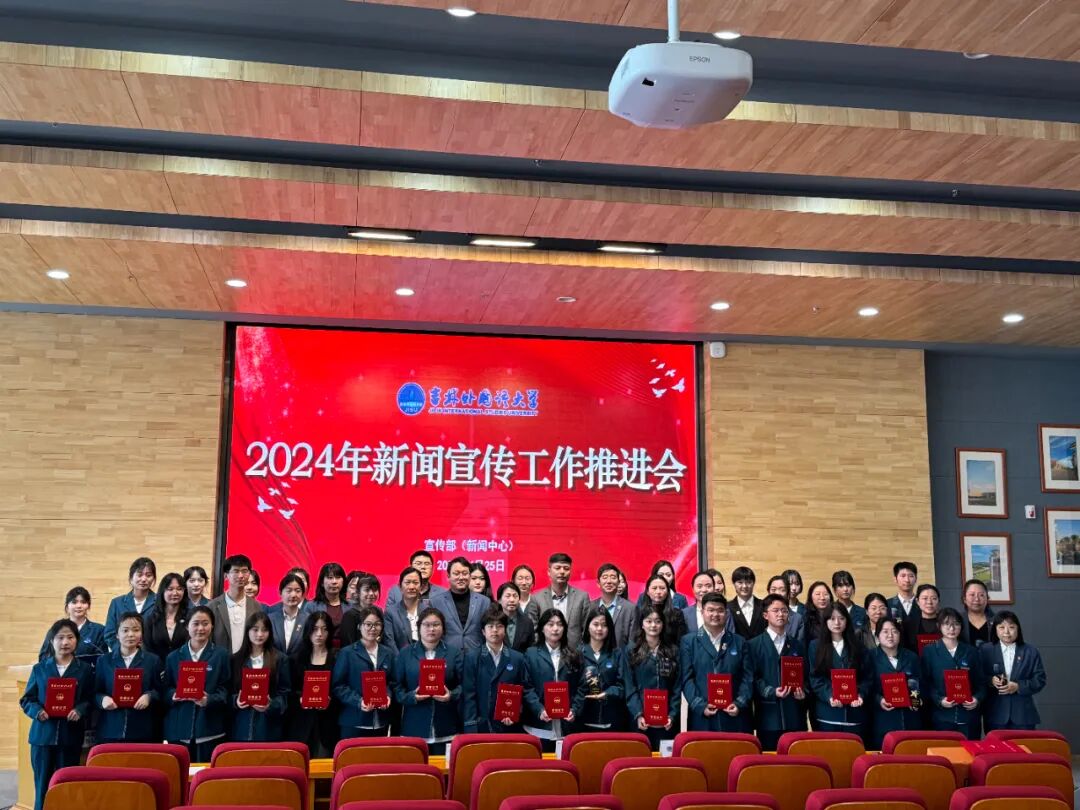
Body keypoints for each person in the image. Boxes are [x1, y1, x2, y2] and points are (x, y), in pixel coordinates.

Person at [22, 619, 95, 810]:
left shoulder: (84, 670)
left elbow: (90, 699)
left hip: (69, 736)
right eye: (60, 637)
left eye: (70, 637)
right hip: (42, 737)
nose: (65, 642)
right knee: (42, 787)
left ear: (77, 641)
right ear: (52, 641)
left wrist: (79, 710)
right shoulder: (40, 668)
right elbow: (27, 699)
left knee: (67, 788)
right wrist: (37, 711)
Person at [163, 605, 231, 762]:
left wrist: (209, 700)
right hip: (179, 730)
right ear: (187, 626)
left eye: (205, 623)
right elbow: (165, 689)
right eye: (196, 623)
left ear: (212, 626)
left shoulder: (221, 655)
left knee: (207, 774)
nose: (200, 628)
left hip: (210, 729)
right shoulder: (173, 657)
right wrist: (173, 695)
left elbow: (226, 689)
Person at [393, 607, 463, 754]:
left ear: (443, 628)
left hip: (446, 725)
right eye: (427, 625)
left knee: (445, 768)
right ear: (419, 627)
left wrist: (451, 695)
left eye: (436, 624)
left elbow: (465, 685)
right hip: (414, 727)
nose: (431, 629)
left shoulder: (454, 653)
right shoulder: (405, 654)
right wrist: (412, 696)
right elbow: (396, 686)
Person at [680, 593, 753, 733]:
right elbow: (686, 678)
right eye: (710, 610)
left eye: (720, 610)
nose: (715, 614)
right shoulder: (688, 642)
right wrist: (700, 705)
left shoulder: (740, 642)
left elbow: (747, 677)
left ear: (726, 614)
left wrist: (739, 703)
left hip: (734, 717)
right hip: (702, 718)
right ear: (702, 612)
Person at [462, 605, 537, 734]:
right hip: (481, 725)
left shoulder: (517, 658)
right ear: (483, 631)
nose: (495, 630)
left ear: (505, 630)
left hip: (509, 724)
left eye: (499, 626)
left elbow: (523, 690)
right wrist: (471, 725)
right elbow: (469, 695)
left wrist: (516, 712)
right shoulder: (472, 657)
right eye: (490, 626)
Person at [749, 594, 807, 751]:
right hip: (768, 717)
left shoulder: (797, 645)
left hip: (794, 715)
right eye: (775, 610)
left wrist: (803, 692)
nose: (780, 614)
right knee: (770, 759)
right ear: (765, 615)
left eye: (784, 611)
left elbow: (806, 676)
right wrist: (771, 691)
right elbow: (752, 678)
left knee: (796, 758)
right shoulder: (754, 645)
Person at [94, 611, 161, 743]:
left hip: (142, 729)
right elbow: (94, 692)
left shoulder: (152, 661)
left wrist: (149, 696)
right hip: (110, 728)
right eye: (125, 630)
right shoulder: (104, 661)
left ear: (141, 634)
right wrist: (102, 699)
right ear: (117, 634)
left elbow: (160, 691)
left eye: (136, 630)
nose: (130, 634)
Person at [333, 605, 397, 738]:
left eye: (377, 624)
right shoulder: (347, 653)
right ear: (359, 626)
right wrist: (358, 701)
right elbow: (338, 686)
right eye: (368, 624)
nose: (373, 628)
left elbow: (392, 682)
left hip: (381, 721)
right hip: (354, 721)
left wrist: (388, 696)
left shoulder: (388, 653)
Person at [622, 606, 681, 751]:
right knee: (641, 759)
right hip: (640, 720)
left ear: (663, 624)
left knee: (665, 760)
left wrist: (672, 715)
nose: (653, 625)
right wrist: (638, 714)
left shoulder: (673, 650)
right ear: (642, 624)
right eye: (649, 621)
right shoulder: (632, 650)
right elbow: (629, 686)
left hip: (667, 721)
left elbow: (677, 687)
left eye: (658, 621)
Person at [807, 603, 869, 737]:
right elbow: (815, 678)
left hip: (854, 714)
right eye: (832, 618)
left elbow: (867, 677)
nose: (837, 623)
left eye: (841, 618)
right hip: (827, 714)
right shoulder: (815, 646)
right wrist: (829, 695)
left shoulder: (858, 646)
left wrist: (860, 694)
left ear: (847, 620)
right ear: (826, 621)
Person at [523, 609, 582, 749]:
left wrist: (574, 710)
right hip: (539, 726)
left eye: (560, 624)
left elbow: (581, 687)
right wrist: (539, 710)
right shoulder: (531, 654)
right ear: (542, 628)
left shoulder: (574, 655)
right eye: (550, 624)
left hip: (566, 726)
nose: (555, 628)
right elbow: (526, 687)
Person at [922, 607, 983, 739]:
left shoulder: (971, 651)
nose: (952, 628)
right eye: (947, 624)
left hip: (968, 716)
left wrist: (977, 699)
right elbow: (925, 683)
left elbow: (981, 683)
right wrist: (939, 700)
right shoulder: (929, 651)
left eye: (956, 624)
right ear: (939, 626)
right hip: (941, 716)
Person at [285, 610, 338, 758]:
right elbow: (288, 691)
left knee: (325, 765)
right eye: (315, 629)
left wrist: (331, 700)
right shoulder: (296, 658)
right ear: (308, 630)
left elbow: (340, 687)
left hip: (328, 722)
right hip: (301, 722)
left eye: (324, 629)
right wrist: (300, 699)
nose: (319, 634)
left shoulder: (337, 657)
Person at [980, 611, 1045, 731]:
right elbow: (977, 677)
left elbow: (1039, 680)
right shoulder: (985, 650)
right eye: (1001, 627)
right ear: (995, 629)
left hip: (1023, 715)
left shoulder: (1030, 651)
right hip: (995, 714)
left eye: (1011, 627)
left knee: (1024, 744)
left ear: (1018, 628)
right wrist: (991, 680)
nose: (1006, 632)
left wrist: (1018, 686)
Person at [230, 611, 290, 741]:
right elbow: (227, 692)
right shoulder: (236, 659)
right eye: (255, 629)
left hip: (268, 728)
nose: (260, 634)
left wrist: (271, 704)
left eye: (264, 630)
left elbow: (285, 695)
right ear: (247, 631)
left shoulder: (280, 659)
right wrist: (236, 701)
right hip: (241, 727)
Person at [866, 617, 922, 749]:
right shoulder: (869, 657)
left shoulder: (912, 657)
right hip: (882, 719)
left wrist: (916, 699)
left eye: (894, 631)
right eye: (885, 631)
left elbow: (921, 683)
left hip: (910, 718)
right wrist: (879, 700)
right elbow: (865, 687)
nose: (890, 635)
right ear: (877, 636)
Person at [577, 607, 624, 732]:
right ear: (588, 626)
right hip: (583, 718)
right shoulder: (578, 653)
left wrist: (607, 693)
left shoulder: (617, 654)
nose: (599, 628)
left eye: (604, 625)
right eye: (595, 624)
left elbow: (622, 686)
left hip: (611, 719)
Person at [430, 556, 491, 651]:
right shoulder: (436, 602)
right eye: (456, 573)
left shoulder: (484, 602)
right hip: (446, 654)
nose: (461, 577)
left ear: (470, 576)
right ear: (448, 576)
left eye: (465, 573)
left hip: (476, 655)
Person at [532, 553, 591, 650]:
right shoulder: (537, 598)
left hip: (575, 652)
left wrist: (581, 650)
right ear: (549, 571)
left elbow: (587, 629)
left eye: (566, 568)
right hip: (545, 653)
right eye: (557, 568)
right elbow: (534, 630)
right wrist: (542, 651)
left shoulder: (582, 597)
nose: (562, 572)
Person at [38, 586, 107, 668]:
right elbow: (44, 656)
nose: (79, 606)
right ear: (67, 606)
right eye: (74, 602)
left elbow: (103, 660)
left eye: (83, 602)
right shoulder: (57, 629)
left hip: (87, 674)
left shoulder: (99, 630)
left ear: (88, 606)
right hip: (59, 674)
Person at [208, 554, 260, 654]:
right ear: (226, 575)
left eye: (244, 571)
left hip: (246, 660)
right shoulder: (212, 606)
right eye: (236, 571)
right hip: (220, 660)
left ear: (249, 574)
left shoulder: (256, 606)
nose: (240, 576)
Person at [104, 557, 158, 650]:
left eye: (148, 575)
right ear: (131, 577)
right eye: (139, 575)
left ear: (153, 578)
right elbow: (109, 634)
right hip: (123, 655)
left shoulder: (160, 602)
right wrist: (125, 651)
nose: (144, 579)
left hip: (152, 655)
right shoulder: (117, 603)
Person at [143, 572, 191, 662]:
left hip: (183, 666)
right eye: (170, 589)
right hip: (157, 667)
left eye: (179, 589)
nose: (175, 593)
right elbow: (147, 648)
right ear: (162, 591)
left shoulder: (191, 616)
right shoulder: (151, 618)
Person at [630, 575, 689, 645]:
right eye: (654, 588)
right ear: (647, 592)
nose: (658, 592)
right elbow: (635, 638)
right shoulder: (640, 613)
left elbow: (681, 641)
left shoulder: (677, 614)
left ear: (668, 591)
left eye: (662, 588)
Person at [591, 563, 635, 648]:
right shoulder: (590, 607)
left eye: (613, 577)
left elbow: (632, 642)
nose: (609, 581)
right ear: (598, 583)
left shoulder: (630, 609)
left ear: (618, 582)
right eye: (605, 577)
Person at [268, 573, 311, 657]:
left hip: (299, 663)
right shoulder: (270, 619)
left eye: (297, 591)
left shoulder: (308, 619)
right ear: (280, 593)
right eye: (289, 590)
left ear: (302, 594)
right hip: (275, 663)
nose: (293, 595)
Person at [384, 568, 427, 650]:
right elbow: (389, 642)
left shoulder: (429, 610)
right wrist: (401, 658)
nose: (411, 587)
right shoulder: (391, 612)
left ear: (421, 587)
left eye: (415, 583)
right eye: (407, 582)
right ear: (400, 586)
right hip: (400, 656)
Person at [339, 575, 385, 647]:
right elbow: (348, 644)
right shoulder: (350, 615)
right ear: (358, 592)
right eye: (367, 590)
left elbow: (382, 636)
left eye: (375, 589)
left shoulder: (379, 611)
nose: (371, 593)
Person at [902, 584, 943, 653]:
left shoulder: (946, 623)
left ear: (939, 601)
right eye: (925, 598)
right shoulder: (908, 625)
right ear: (917, 601)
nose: (929, 602)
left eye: (934, 598)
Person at [728, 566, 766, 640]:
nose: (744, 586)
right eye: (740, 582)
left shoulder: (763, 605)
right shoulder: (728, 607)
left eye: (748, 582)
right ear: (734, 584)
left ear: (753, 583)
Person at [313, 562, 348, 636]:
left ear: (343, 581)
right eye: (330, 578)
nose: (334, 582)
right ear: (322, 583)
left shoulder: (351, 607)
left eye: (338, 577)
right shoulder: (311, 606)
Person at [498, 582, 535, 653]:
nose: (512, 600)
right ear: (499, 600)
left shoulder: (527, 622)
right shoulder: (494, 621)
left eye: (515, 596)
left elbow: (531, 648)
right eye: (508, 596)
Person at [765, 576, 803, 641]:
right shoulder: (759, 613)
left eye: (782, 590)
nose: (777, 593)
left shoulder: (797, 619)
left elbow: (799, 644)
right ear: (768, 592)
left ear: (788, 593)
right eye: (773, 590)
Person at [961, 579, 994, 648]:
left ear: (987, 599)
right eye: (972, 595)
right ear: (964, 599)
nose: (976, 599)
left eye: (981, 595)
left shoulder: (997, 620)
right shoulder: (958, 620)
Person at [682, 570, 716, 634]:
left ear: (714, 588)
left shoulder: (724, 612)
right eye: (699, 586)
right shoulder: (684, 614)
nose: (704, 590)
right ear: (693, 589)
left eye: (708, 586)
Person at [801, 581, 834, 645]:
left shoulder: (836, 615)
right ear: (811, 597)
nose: (822, 598)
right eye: (818, 594)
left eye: (825, 594)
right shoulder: (805, 617)